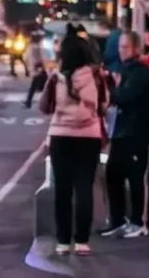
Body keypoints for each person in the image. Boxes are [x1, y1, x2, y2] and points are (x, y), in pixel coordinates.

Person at [43, 31, 108, 255]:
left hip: (61, 137)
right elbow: (104, 105)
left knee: (62, 190)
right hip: (89, 137)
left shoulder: (57, 76)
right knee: (84, 188)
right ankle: (82, 241)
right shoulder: (96, 76)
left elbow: (45, 106)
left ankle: (62, 241)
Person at [103, 32, 149, 237]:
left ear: (136, 48)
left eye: (125, 47)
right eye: (120, 46)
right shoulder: (125, 70)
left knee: (135, 177)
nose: (121, 50)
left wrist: (112, 86)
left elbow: (123, 96)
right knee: (113, 175)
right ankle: (118, 220)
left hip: (137, 132)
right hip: (121, 131)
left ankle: (137, 222)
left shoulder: (142, 72)